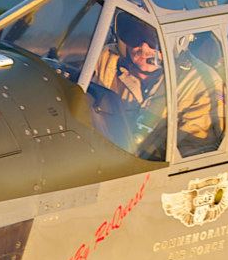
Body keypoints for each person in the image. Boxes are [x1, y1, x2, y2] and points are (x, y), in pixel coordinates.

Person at [89, 12, 214, 161]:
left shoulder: (201, 83)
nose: (143, 47)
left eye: (153, 38)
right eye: (134, 35)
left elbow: (191, 155)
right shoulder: (105, 59)